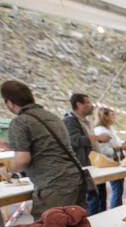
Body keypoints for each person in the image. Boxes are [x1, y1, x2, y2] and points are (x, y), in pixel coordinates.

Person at [0, 81, 85, 217]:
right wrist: (9, 145)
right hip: (76, 179)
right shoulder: (51, 116)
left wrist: (7, 169)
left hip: (53, 186)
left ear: (9, 102)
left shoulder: (20, 121)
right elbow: (45, 147)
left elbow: (22, 160)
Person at [63, 92, 111, 215]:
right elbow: (76, 140)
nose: (91, 106)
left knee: (101, 200)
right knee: (92, 202)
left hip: (93, 166)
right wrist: (98, 137)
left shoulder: (85, 121)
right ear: (79, 104)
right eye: (88, 103)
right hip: (85, 167)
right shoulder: (70, 121)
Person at [94, 107, 126, 208]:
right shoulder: (100, 131)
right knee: (116, 190)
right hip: (109, 164)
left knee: (118, 190)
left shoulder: (110, 129)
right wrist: (120, 147)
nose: (114, 117)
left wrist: (122, 144)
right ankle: (115, 210)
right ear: (105, 116)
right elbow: (104, 151)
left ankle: (116, 209)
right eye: (112, 115)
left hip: (116, 163)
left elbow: (114, 144)